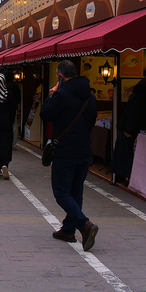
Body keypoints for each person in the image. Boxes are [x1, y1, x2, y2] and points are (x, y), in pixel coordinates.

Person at [40, 60, 99, 251]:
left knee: (61, 192)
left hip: (65, 151)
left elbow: (45, 114)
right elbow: (92, 121)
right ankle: (68, 230)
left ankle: (84, 224)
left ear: (60, 76)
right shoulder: (90, 97)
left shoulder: (62, 95)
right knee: (76, 191)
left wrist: (51, 95)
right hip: (85, 150)